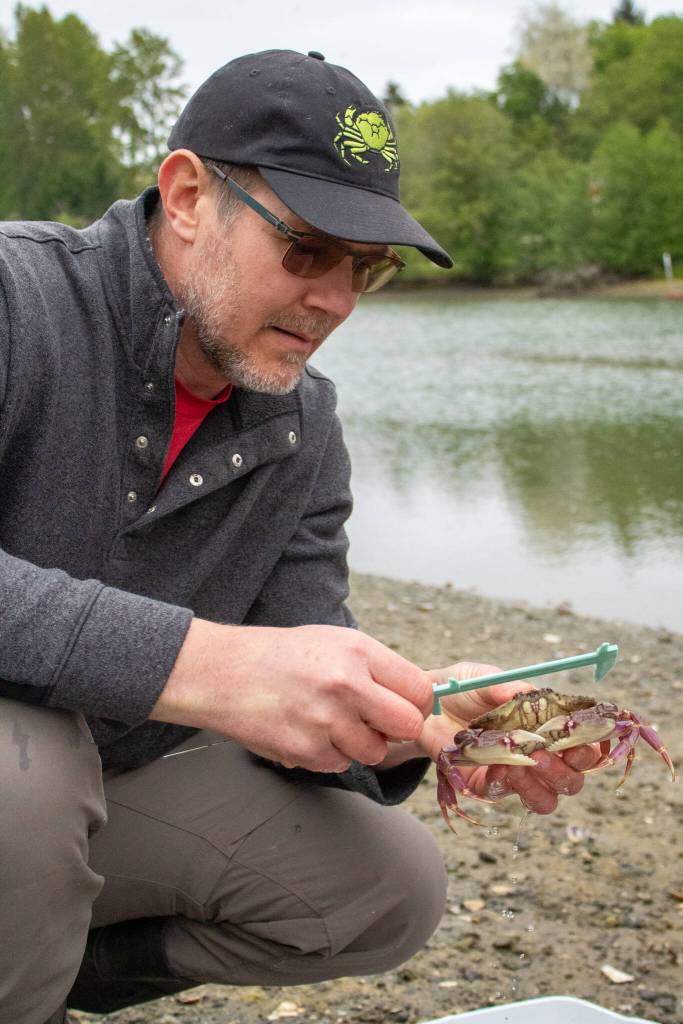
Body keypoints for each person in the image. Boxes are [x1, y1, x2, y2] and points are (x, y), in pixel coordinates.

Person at [0, 50, 598, 1024]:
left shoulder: (300, 431)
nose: (337, 300)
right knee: (26, 761)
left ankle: (44, 985)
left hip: (81, 809)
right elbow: (226, 672)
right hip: (22, 789)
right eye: (308, 250)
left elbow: (302, 657)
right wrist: (201, 663)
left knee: (383, 879)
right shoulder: (18, 302)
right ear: (188, 195)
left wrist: (430, 716)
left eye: (366, 268)